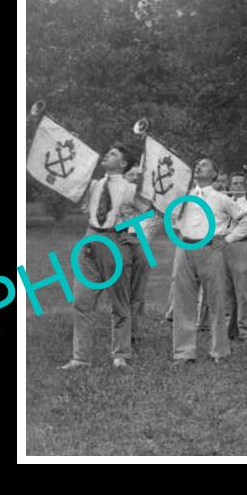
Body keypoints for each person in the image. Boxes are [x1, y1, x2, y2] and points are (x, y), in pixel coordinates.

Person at [60, 144, 141, 370]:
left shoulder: (129, 189)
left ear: (123, 164)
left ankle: (121, 354)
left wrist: (131, 235)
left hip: (113, 240)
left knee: (120, 302)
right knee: (81, 300)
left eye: (113, 154)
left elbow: (147, 213)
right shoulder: (96, 184)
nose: (107, 154)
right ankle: (80, 357)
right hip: (90, 238)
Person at [170, 157, 241, 365]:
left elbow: (244, 218)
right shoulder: (184, 196)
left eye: (204, 165)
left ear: (214, 174)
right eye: (197, 164)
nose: (198, 166)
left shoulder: (221, 198)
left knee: (216, 301)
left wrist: (228, 238)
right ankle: (184, 352)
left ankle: (220, 351)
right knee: (183, 301)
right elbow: (171, 214)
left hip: (210, 249)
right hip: (185, 247)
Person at [115, 164, 159, 347]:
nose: (134, 178)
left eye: (137, 175)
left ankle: (134, 332)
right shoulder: (116, 200)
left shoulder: (148, 203)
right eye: (130, 175)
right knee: (120, 292)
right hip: (118, 247)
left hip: (141, 248)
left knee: (137, 294)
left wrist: (130, 235)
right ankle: (121, 331)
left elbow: (151, 224)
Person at [223, 170, 247, 341]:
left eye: (241, 184)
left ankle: (246, 330)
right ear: (229, 186)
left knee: (242, 290)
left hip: (239, 245)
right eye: (235, 183)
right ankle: (230, 328)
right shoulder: (223, 202)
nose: (238, 186)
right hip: (221, 247)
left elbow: (244, 228)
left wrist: (227, 239)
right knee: (227, 290)